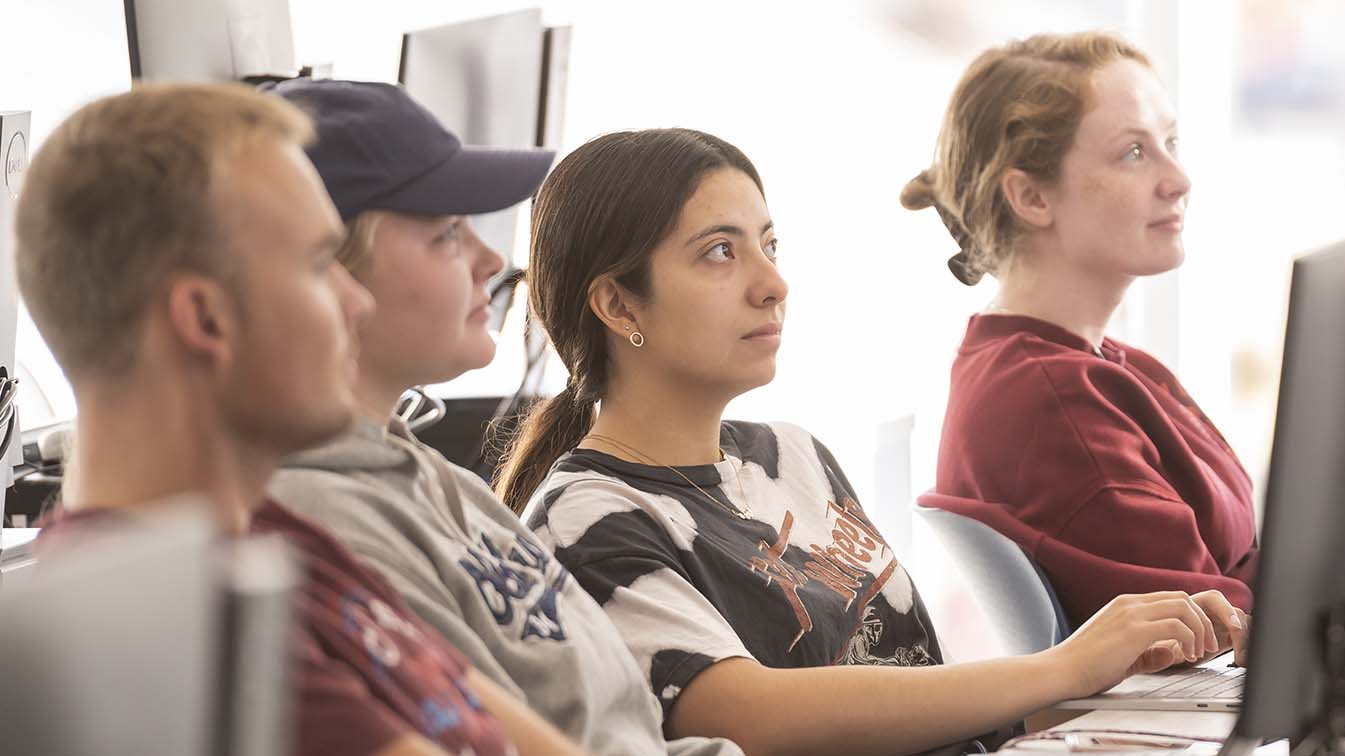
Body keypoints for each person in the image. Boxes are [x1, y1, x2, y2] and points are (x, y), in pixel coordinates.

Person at [492, 127, 1244, 756]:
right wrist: (1062, 667)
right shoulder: (585, 518)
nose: (772, 284)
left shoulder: (792, 454)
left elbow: (911, 687)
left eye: (770, 244)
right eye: (721, 252)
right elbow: (744, 713)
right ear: (618, 303)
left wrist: (1107, 694)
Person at [15, 82, 581, 756]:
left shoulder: (273, 541)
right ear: (205, 319)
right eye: (319, 264)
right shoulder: (192, 629)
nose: (356, 301)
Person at [259, 79, 740, 756]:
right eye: (446, 234)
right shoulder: (320, 520)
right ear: (328, 271)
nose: (491, 260)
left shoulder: (426, 477)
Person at [902, 31, 1258, 625]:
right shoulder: (1053, 404)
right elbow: (1221, 629)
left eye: (1170, 142)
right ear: (1031, 196)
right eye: (1134, 154)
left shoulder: (1096, 366)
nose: (1178, 179)